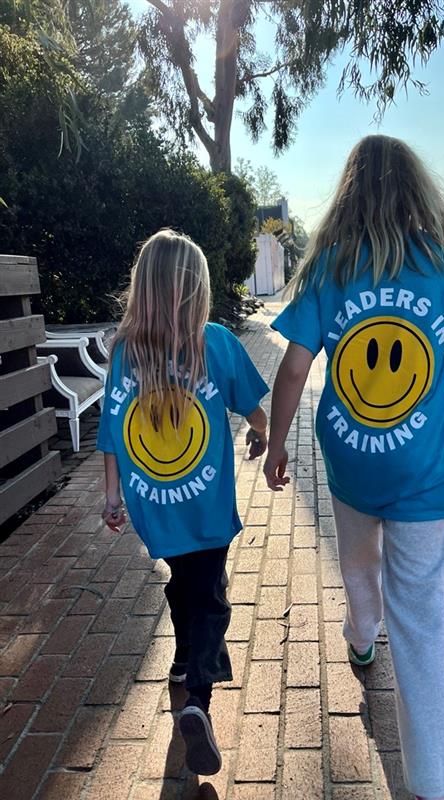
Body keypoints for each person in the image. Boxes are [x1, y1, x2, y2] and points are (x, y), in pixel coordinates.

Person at [264, 135, 444, 800]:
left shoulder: (330, 267)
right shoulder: (443, 267)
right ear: (416, 193)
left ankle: (360, 635)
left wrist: (278, 444)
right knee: (422, 616)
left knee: (357, 559)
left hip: (350, 459)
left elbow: (291, 368)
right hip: (423, 473)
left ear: (349, 193)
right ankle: (432, 782)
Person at [97, 229, 269, 776]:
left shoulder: (127, 351)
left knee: (185, 582)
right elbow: (251, 405)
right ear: (196, 290)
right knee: (211, 597)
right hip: (206, 508)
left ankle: (178, 658)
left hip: (156, 508)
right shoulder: (214, 342)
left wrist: (110, 495)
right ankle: (198, 701)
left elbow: (108, 433)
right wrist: (262, 435)